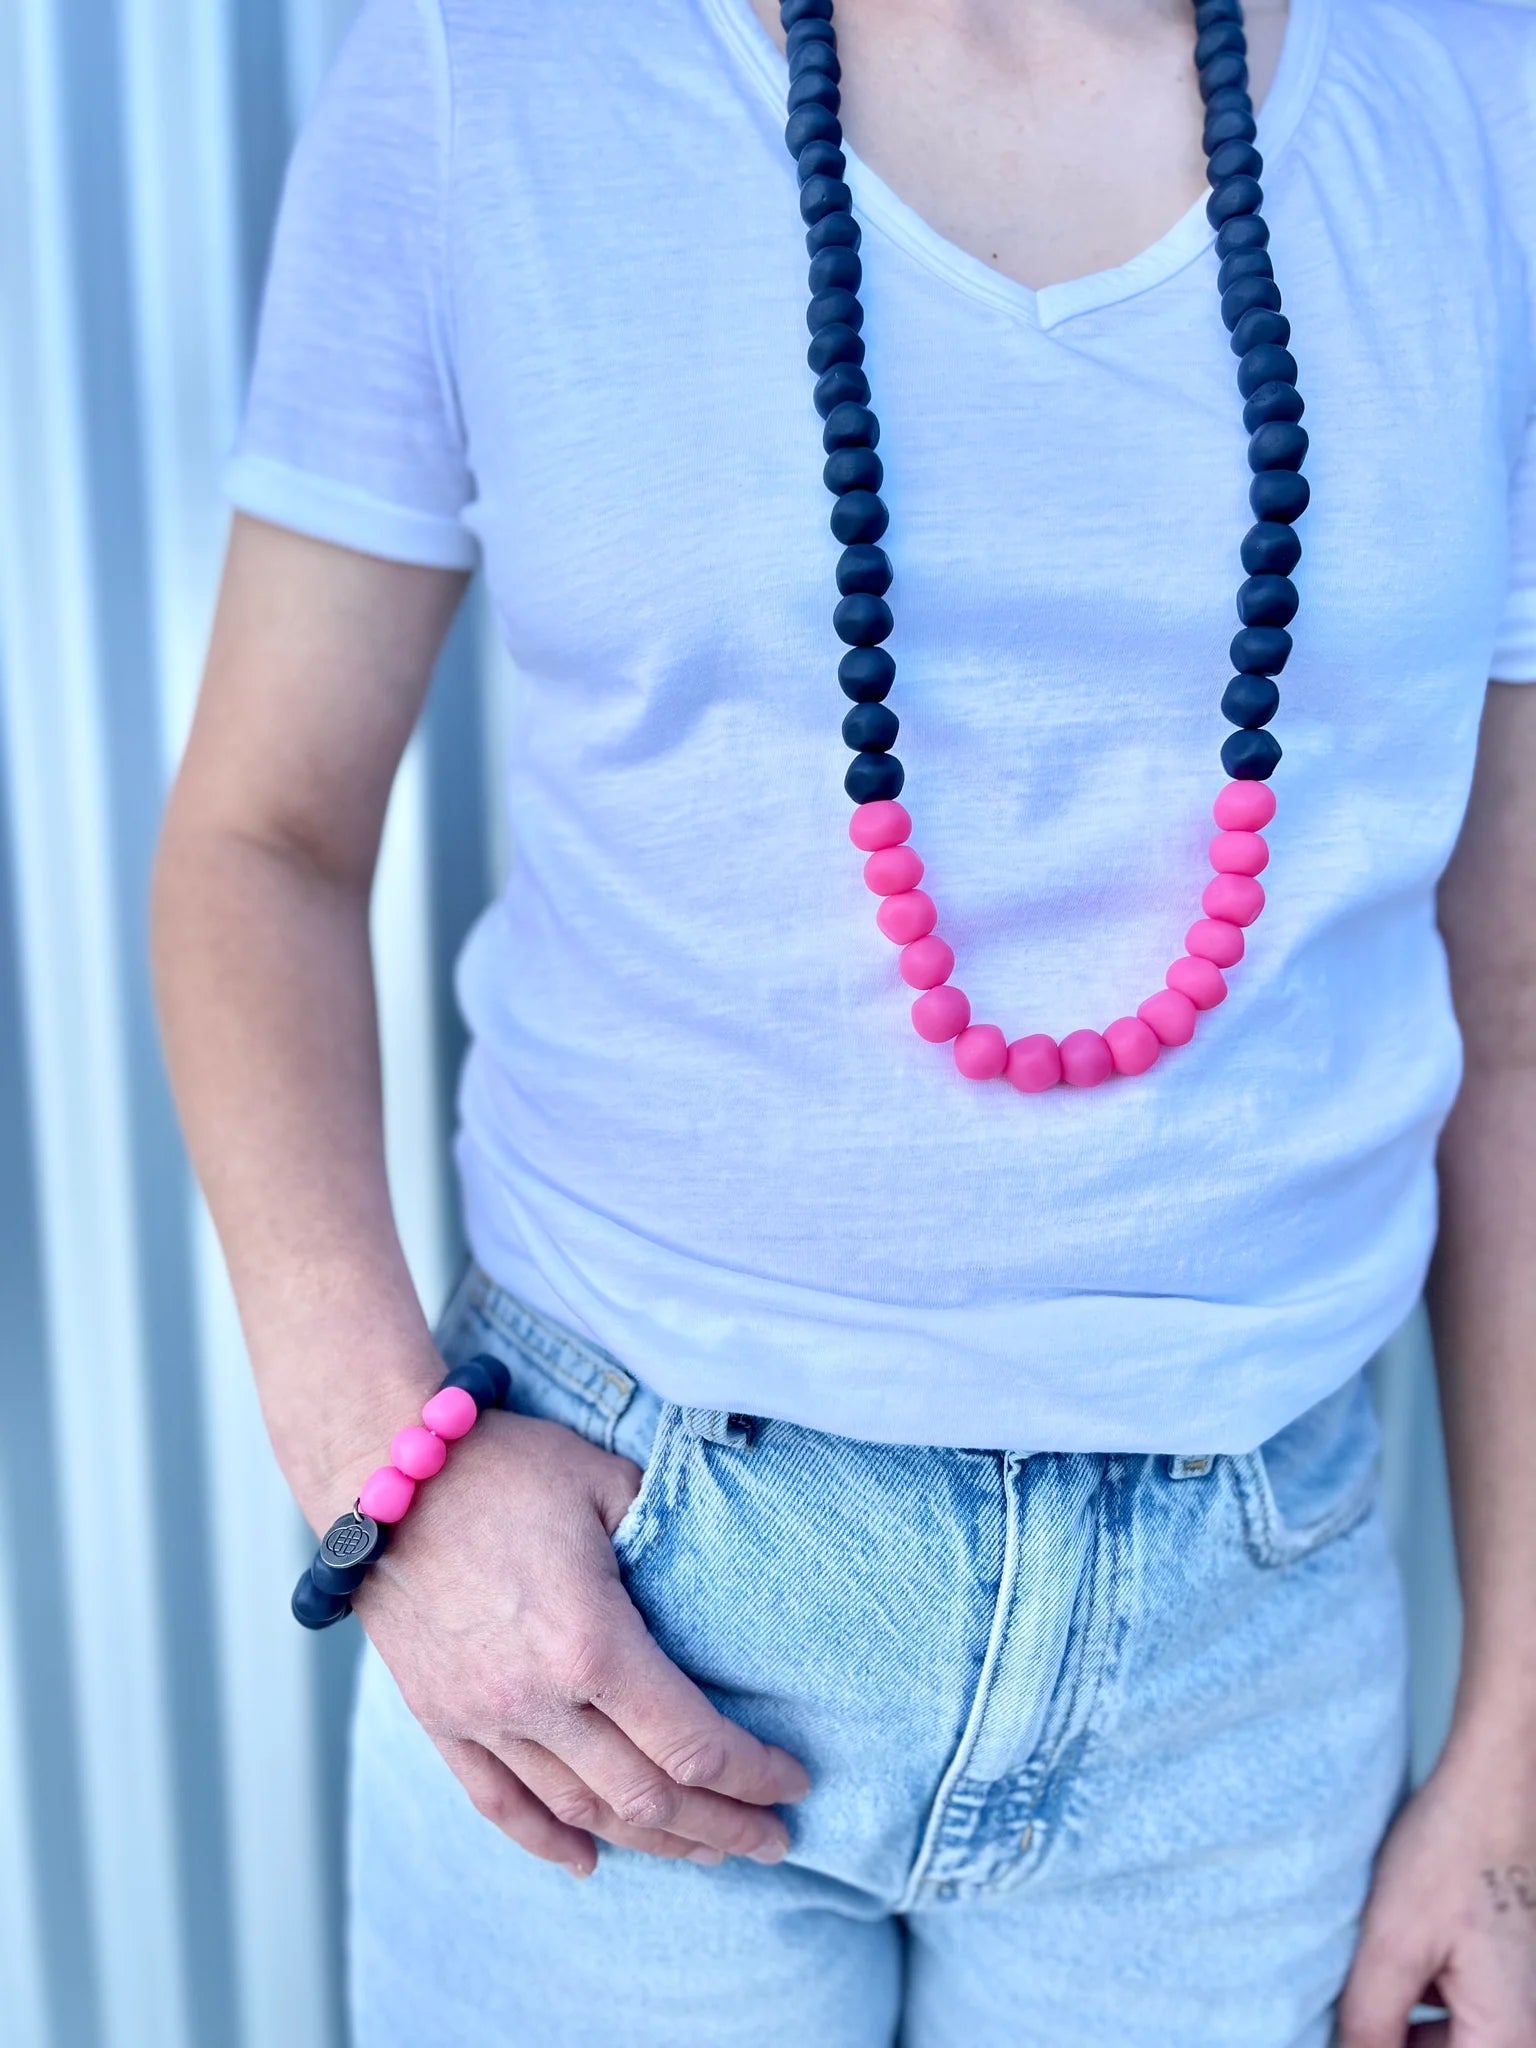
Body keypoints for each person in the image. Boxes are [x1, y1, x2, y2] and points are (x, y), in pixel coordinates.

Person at [150, 0, 1536, 2039]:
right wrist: (391, 1483)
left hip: (1250, 1672)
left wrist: (1513, 1750)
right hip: (621, 1596)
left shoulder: (1484, 92)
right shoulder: (494, 66)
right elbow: (257, 840)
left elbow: (1508, 1005)